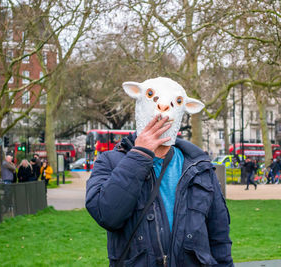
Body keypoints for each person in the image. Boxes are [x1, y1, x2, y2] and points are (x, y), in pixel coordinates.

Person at [86, 77, 232, 266]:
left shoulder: (200, 168)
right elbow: (107, 215)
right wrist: (139, 154)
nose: (163, 106)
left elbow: (219, 237)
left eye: (177, 102)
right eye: (150, 95)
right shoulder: (110, 162)